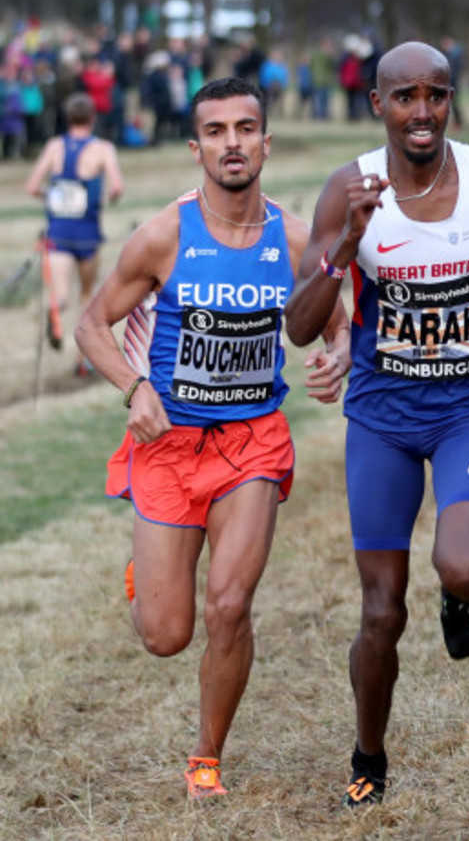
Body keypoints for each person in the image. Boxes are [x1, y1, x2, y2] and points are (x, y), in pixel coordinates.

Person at [284, 41, 469, 808]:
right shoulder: (347, 186)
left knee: (464, 565)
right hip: (381, 413)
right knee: (381, 610)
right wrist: (346, 241)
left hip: (466, 405)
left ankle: (465, 597)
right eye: (404, 97)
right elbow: (302, 328)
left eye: (435, 95)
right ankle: (368, 754)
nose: (421, 112)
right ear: (377, 104)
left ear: (451, 100)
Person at [74, 77, 350, 800]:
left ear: (266, 140)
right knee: (166, 633)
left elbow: (335, 319)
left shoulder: (292, 238)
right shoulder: (166, 234)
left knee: (230, 603)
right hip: (168, 448)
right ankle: (147, 576)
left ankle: (206, 758)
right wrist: (135, 389)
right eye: (218, 131)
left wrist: (340, 354)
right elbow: (89, 325)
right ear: (197, 147)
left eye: (246, 128)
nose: (234, 143)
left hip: (251, 441)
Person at [25, 91, 124, 374]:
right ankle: (85, 361)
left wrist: (54, 194)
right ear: (93, 118)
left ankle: (54, 313)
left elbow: (32, 187)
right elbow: (117, 188)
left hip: (58, 231)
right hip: (87, 234)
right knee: (88, 296)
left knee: (62, 296)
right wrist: (99, 197)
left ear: (68, 118)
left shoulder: (54, 146)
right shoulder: (103, 149)